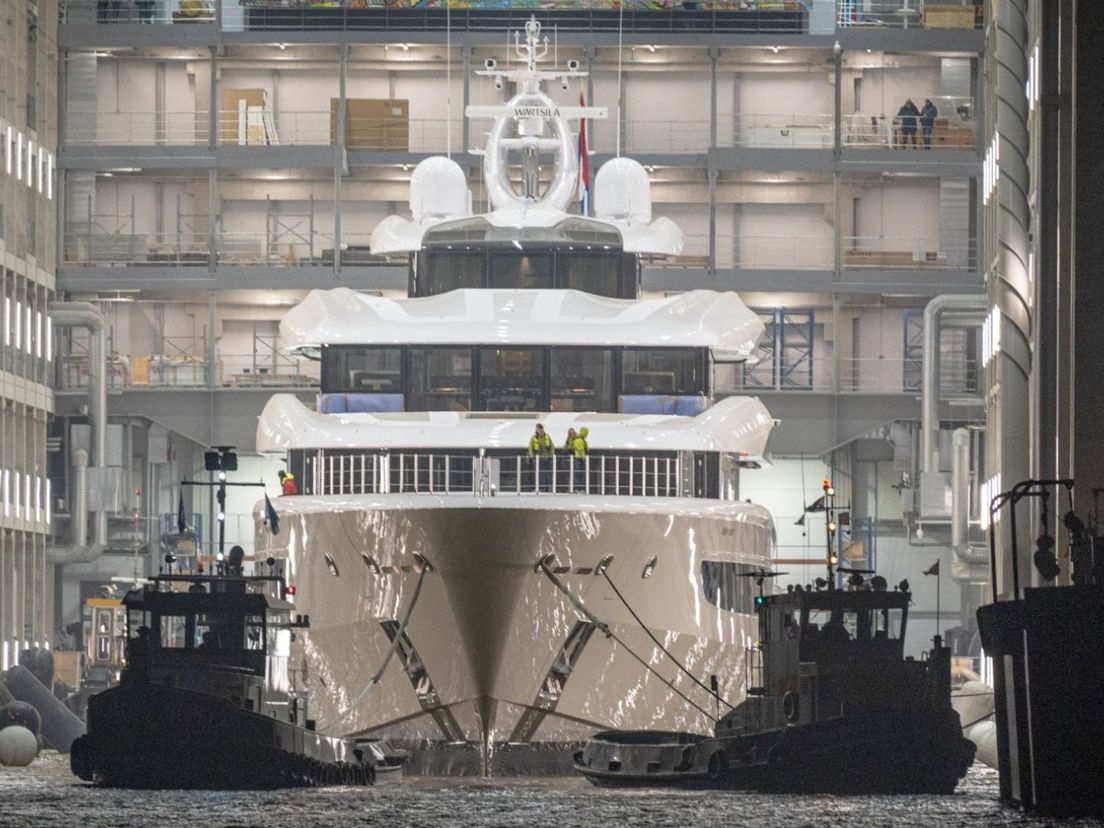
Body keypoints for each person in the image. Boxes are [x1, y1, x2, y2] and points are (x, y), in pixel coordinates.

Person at [528, 423, 554, 491]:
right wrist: (532, 456)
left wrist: (551, 455)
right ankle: (541, 488)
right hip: (538, 458)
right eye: (538, 429)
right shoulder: (533, 438)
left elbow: (552, 446)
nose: (539, 431)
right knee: (540, 473)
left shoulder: (547, 436)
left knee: (547, 473)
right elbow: (530, 447)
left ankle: (547, 488)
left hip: (547, 458)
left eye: (540, 429)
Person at [571, 426, 589, 491]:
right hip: (579, 458)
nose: (587, 434)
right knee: (579, 474)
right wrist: (584, 457)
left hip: (580, 458)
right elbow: (580, 449)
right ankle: (578, 488)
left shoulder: (581, 439)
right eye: (587, 433)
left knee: (581, 474)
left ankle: (580, 488)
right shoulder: (579, 440)